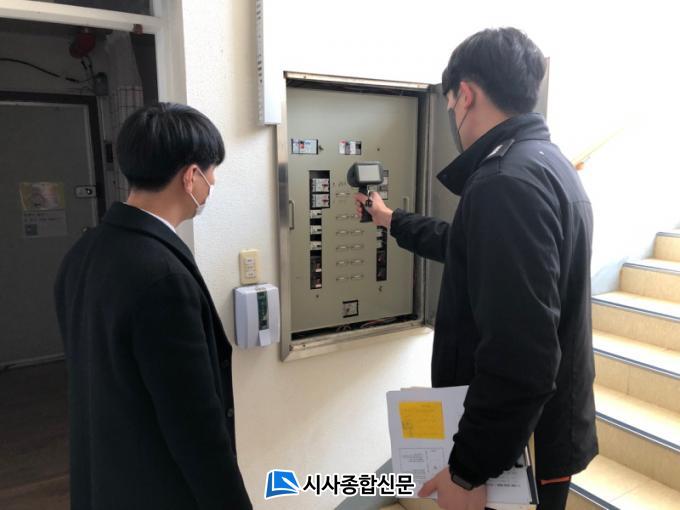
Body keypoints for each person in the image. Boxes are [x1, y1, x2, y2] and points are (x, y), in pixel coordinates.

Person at [356, 27, 597, 510]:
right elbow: (470, 248)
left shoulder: (504, 183)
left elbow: (520, 356)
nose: (452, 116)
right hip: (543, 432)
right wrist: (391, 220)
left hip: (512, 454)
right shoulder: (546, 164)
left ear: (464, 95)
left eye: (450, 104)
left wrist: (467, 470)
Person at [54, 103, 252, 509]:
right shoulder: (162, 277)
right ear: (191, 176)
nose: (213, 183)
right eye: (212, 172)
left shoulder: (83, 252)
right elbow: (193, 423)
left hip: (106, 477)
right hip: (160, 488)